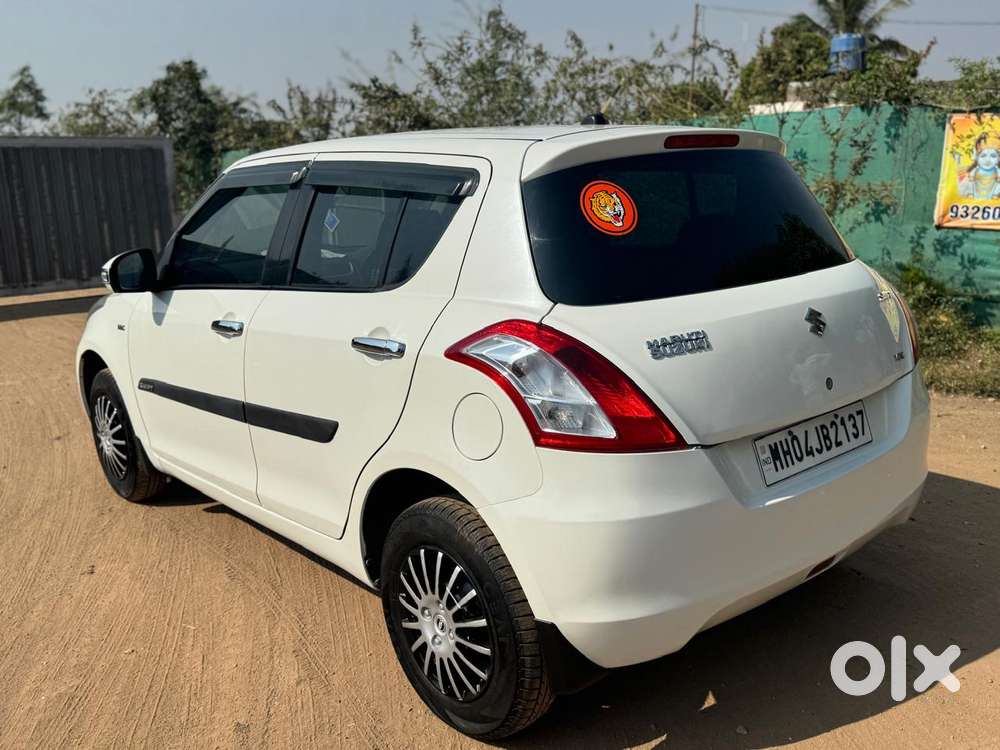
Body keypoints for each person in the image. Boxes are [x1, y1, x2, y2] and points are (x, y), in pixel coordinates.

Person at [957, 132, 1000, 200]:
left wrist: (995, 194)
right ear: (977, 157)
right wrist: (971, 194)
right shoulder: (972, 174)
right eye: (983, 156)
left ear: (998, 158)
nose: (988, 160)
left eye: (993, 156)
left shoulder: (998, 173)